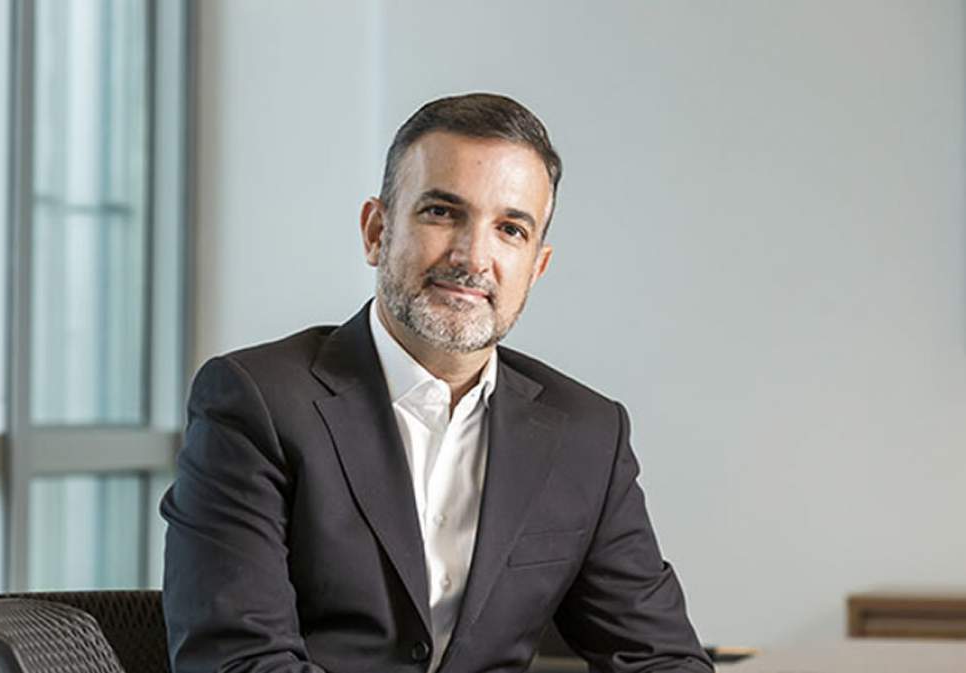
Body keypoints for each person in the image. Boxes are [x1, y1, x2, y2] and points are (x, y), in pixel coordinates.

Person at [161, 93, 712, 673]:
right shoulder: (257, 402)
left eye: (510, 229)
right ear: (376, 232)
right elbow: (238, 661)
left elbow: (662, 660)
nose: (473, 257)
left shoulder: (587, 435)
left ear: (536, 267)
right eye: (442, 212)